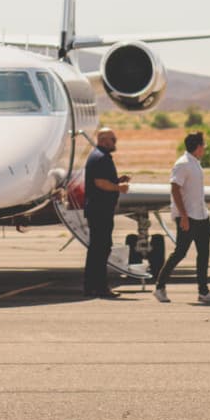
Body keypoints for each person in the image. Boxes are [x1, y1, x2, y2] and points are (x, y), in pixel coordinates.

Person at [155, 131, 210, 304]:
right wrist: (183, 216)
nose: (205, 149)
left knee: (204, 254)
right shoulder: (183, 164)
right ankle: (159, 287)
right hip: (188, 217)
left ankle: (204, 291)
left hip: (201, 216)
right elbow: (175, 189)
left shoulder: (195, 163)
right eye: (203, 146)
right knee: (180, 253)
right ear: (198, 147)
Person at [81, 127, 132, 299]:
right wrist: (119, 187)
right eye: (112, 139)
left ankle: (92, 286)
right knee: (101, 249)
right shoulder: (100, 158)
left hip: (99, 210)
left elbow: (103, 181)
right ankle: (100, 287)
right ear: (103, 140)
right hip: (100, 211)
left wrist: (117, 180)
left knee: (98, 249)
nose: (115, 142)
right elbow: (100, 183)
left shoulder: (99, 156)